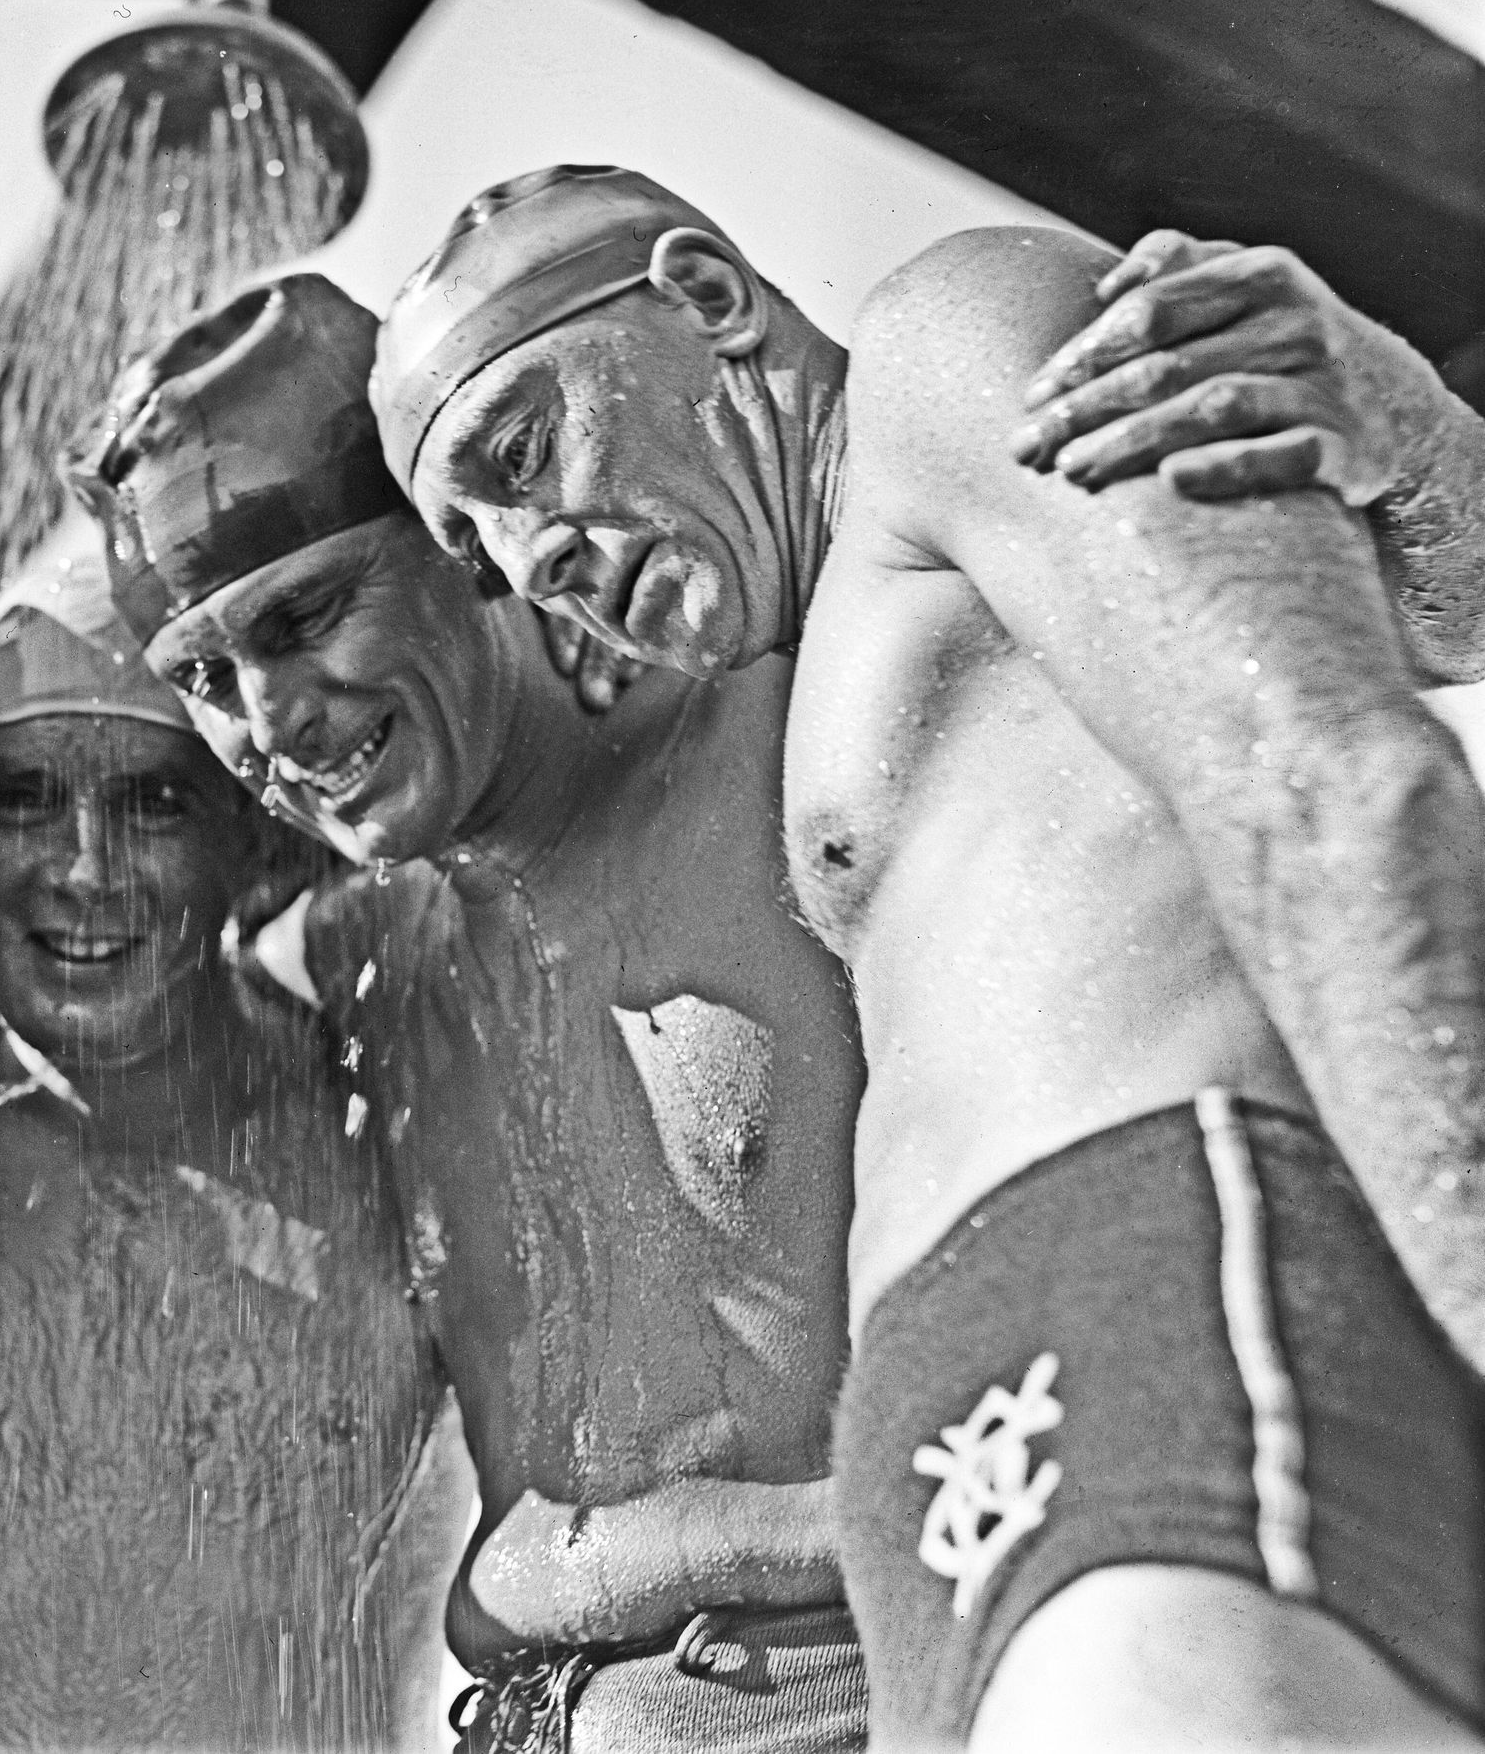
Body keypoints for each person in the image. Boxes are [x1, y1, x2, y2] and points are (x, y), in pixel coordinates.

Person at [372, 166, 1485, 1748]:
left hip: (1141, 1279)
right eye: (477, 548)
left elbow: (1328, 780)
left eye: (520, 450)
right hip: (972, 1436)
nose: (525, 556)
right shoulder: (847, 631)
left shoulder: (936, 341)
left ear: (706, 299)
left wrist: (1421, 444)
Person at [71, 275, 870, 1753]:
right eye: (203, 677)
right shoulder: (355, 964)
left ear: (465, 544)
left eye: (305, 615)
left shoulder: (796, 754)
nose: (272, 720)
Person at [0, 514, 465, 1750]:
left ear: (247, 831)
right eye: (24, 800)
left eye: (152, 803)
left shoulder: (390, 1115)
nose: (83, 869)